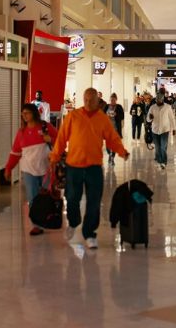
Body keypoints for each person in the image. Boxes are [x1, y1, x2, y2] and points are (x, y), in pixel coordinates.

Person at [49, 87, 129, 249]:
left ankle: (90, 233)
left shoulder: (102, 118)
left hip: (94, 167)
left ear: (97, 101)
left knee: (94, 202)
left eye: (91, 100)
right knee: (72, 198)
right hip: (74, 166)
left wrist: (122, 151)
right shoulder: (73, 116)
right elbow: (62, 138)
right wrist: (55, 156)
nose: (87, 102)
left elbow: (112, 138)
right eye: (85, 99)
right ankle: (73, 222)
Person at [4, 103, 58, 236]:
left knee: (45, 197)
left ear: (34, 113)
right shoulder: (21, 132)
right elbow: (15, 152)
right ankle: (36, 225)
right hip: (28, 170)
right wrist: (8, 168)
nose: (24, 116)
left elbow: (60, 140)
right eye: (23, 114)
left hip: (46, 168)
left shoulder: (45, 127)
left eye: (27, 113)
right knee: (32, 198)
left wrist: (49, 139)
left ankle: (46, 220)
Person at [148, 90, 176, 169]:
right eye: (157, 100)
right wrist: (149, 118)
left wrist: (174, 128)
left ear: (162, 100)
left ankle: (163, 161)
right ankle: (159, 161)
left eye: (159, 100)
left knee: (163, 146)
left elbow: (172, 118)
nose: (157, 101)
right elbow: (148, 119)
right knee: (157, 147)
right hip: (155, 130)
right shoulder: (152, 107)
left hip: (165, 130)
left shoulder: (167, 107)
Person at [105, 94, 125, 166]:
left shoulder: (119, 107)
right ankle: (109, 154)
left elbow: (122, 116)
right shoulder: (106, 106)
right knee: (107, 145)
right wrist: (107, 116)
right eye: (111, 100)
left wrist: (116, 115)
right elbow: (102, 115)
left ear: (116, 100)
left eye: (113, 100)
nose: (112, 101)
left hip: (115, 129)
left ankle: (112, 157)